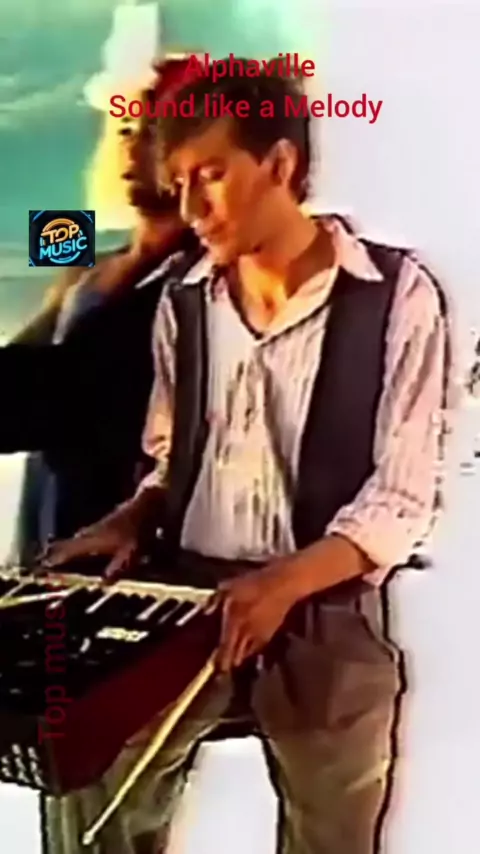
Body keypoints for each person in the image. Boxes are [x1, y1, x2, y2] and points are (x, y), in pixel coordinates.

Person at [43, 64, 455, 854]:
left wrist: (283, 584)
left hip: (325, 603)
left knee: (333, 827)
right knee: (94, 787)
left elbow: (401, 500)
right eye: (179, 183)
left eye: (211, 175)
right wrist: (135, 516)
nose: (192, 208)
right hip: (187, 597)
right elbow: (171, 460)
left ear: (279, 164)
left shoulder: (398, 295)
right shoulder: (182, 300)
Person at [0, 57, 202, 564]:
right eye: (129, 130)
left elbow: (58, 388)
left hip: (116, 532)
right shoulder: (86, 256)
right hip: (47, 516)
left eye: (152, 133)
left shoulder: (197, 283)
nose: (132, 148)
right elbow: (29, 358)